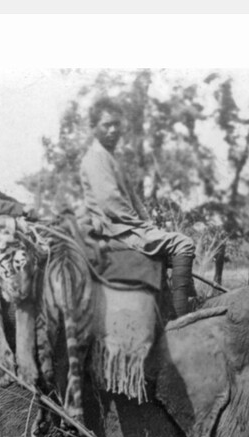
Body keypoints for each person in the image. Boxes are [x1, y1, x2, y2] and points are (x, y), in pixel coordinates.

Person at [79, 97, 196, 318]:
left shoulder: (109, 158)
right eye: (106, 125)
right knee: (183, 243)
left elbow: (134, 199)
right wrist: (142, 226)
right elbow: (110, 202)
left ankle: (171, 306)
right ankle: (183, 320)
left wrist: (149, 224)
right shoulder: (95, 159)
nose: (113, 130)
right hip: (115, 229)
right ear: (94, 128)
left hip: (125, 226)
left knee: (170, 246)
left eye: (116, 124)